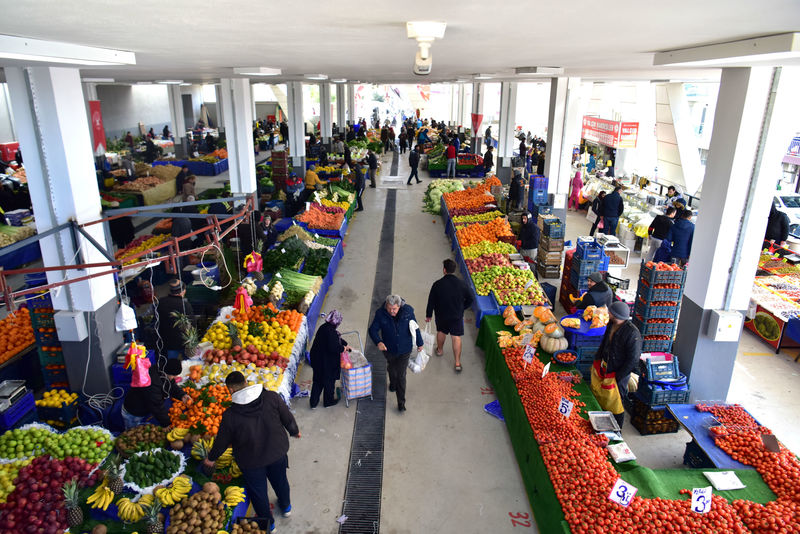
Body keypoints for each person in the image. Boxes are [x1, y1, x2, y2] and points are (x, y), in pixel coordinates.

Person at [205, 371, 300, 532]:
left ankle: (269, 524)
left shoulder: (231, 415)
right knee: (280, 480)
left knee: (258, 493)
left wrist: (211, 458)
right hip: (276, 452)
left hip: (251, 461)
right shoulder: (271, 397)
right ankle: (286, 507)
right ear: (246, 383)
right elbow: (287, 417)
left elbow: (221, 441)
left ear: (231, 390)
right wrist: (294, 431)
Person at [368, 295, 424, 412]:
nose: (391, 311)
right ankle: (392, 383)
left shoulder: (408, 312)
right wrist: (378, 342)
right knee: (392, 369)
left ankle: (401, 403)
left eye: (394, 309)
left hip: (405, 350)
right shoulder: (380, 314)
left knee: (401, 375)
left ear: (399, 306)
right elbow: (372, 329)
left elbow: (416, 327)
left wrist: (420, 342)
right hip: (389, 350)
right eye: (389, 308)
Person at [594, 301, 642, 427]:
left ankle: (617, 429)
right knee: (604, 396)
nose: (607, 313)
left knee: (617, 402)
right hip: (606, 367)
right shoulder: (611, 324)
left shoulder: (632, 334)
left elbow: (633, 360)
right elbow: (605, 342)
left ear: (615, 315)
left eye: (610, 311)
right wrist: (598, 359)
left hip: (618, 374)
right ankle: (602, 422)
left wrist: (618, 376)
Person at [425, 259, 474, 372]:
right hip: (456, 315)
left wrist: (429, 315)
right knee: (456, 337)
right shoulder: (462, 284)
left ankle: (440, 350)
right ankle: (457, 362)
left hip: (441, 314)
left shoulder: (437, 284)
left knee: (441, 332)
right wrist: (462, 307)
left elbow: (431, 301)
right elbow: (470, 299)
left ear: (444, 270)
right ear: (454, 270)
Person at [122, 358, 188, 429]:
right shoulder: (153, 382)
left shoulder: (162, 370)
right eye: (173, 375)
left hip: (145, 406)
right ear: (167, 372)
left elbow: (171, 385)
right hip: (134, 411)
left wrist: (182, 395)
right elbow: (156, 405)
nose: (175, 377)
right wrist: (166, 423)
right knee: (133, 433)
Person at [309, 310, 348, 408]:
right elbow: (334, 347)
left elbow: (335, 340)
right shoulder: (332, 332)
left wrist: (345, 343)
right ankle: (328, 401)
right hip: (326, 363)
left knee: (317, 381)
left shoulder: (323, 327)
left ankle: (313, 403)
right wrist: (343, 348)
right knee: (329, 382)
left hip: (316, 360)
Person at [157, 279, 194, 359]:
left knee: (172, 364)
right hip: (183, 342)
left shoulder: (161, 302)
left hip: (167, 341)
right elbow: (192, 325)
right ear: (183, 291)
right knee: (188, 364)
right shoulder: (185, 305)